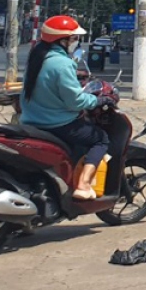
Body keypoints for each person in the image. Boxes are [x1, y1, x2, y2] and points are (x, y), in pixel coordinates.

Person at [20, 15, 110, 200]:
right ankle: (84, 185)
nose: (76, 42)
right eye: (74, 38)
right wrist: (98, 101)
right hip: (58, 124)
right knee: (100, 139)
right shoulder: (63, 64)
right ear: (62, 40)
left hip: (30, 121)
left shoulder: (37, 58)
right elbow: (75, 102)